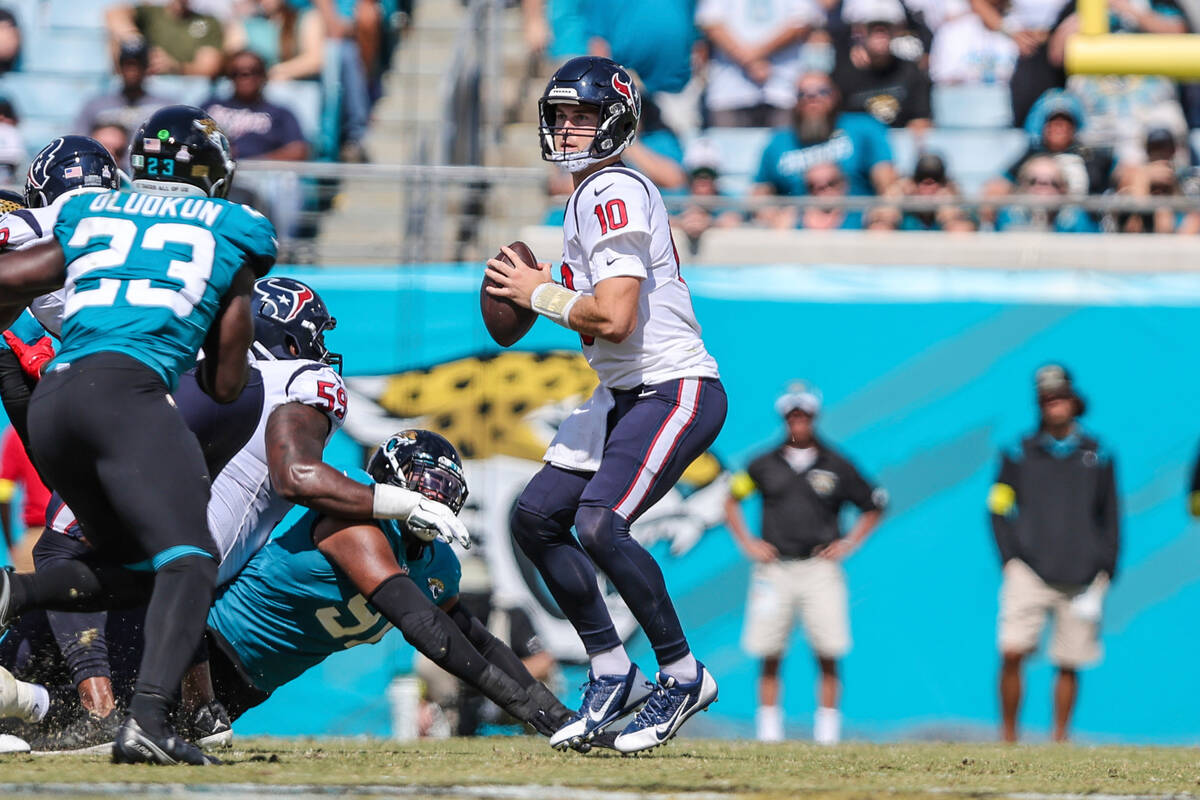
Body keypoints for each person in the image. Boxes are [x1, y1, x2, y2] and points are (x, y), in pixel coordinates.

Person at [0, 105, 274, 766]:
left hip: (58, 398)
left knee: (126, 566)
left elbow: (12, 278)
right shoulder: (239, 227)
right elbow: (228, 385)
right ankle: (154, 717)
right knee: (189, 561)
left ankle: (13, 593)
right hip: (134, 395)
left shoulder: (87, 217)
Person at [484, 56, 727, 754]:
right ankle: (610, 668)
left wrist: (536, 292)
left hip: (672, 385)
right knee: (536, 519)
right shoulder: (587, 196)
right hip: (624, 393)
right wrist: (546, 292)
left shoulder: (611, 188)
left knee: (600, 523)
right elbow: (601, 319)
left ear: (617, 120)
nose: (566, 127)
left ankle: (681, 675)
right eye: (558, 115)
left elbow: (616, 318)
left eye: (582, 114)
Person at [724, 383, 885, 744]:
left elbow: (874, 504)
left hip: (819, 569)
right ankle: (768, 733)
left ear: (814, 417)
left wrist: (849, 543)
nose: (798, 421)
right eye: (792, 414)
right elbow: (731, 499)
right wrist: (748, 543)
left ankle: (827, 734)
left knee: (828, 649)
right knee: (768, 650)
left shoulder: (837, 464)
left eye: (804, 414)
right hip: (775, 568)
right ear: (784, 418)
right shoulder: (763, 464)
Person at [988, 364, 1118, 743]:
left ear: (1074, 401)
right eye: (1046, 399)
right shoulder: (1017, 453)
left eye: (1059, 397)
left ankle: (1059, 739)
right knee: (1012, 651)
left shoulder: (1099, 454)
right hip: (1028, 569)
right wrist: (1010, 556)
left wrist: (1105, 568)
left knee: (1070, 660)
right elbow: (998, 507)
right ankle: (1008, 737)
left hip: (1081, 574)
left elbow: (1109, 515)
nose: (1054, 405)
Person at [753, 71, 897, 218]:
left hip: (857, 227)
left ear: (836, 96)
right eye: (803, 94)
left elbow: (886, 183)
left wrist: (882, 216)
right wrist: (772, 218)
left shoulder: (864, 128)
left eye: (822, 91)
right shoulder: (779, 142)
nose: (812, 99)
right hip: (797, 231)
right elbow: (760, 191)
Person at [696, 0, 827, 128]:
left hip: (783, 90)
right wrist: (752, 59)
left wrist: (754, 56)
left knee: (783, 147)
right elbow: (710, 21)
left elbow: (802, 21)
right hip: (729, 91)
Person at [834, 0, 932, 130]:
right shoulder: (843, 75)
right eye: (873, 29)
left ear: (897, 31)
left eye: (887, 28)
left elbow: (921, 120)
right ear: (860, 32)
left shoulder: (911, 72)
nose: (881, 34)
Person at [73, 39, 170, 137]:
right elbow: (80, 141)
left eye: (137, 65)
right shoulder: (96, 106)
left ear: (146, 68)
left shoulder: (164, 108)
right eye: (127, 65)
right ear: (119, 67)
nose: (132, 71)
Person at [105, 0, 225, 78]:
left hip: (185, 87)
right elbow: (113, 14)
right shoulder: (151, 13)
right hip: (145, 82)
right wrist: (138, 44)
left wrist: (176, 67)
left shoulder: (208, 22)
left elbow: (209, 67)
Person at [995, 156, 1098, 233]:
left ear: (1063, 189)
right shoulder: (1010, 215)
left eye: (1053, 183)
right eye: (1033, 181)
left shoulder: (1076, 218)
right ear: (1023, 186)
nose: (1042, 189)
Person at [0, 426, 49, 573]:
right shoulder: (67, 421)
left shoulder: (16, 433)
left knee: (28, 592)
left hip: (37, 540)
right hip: (79, 533)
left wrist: (11, 546)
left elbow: (3, 494)